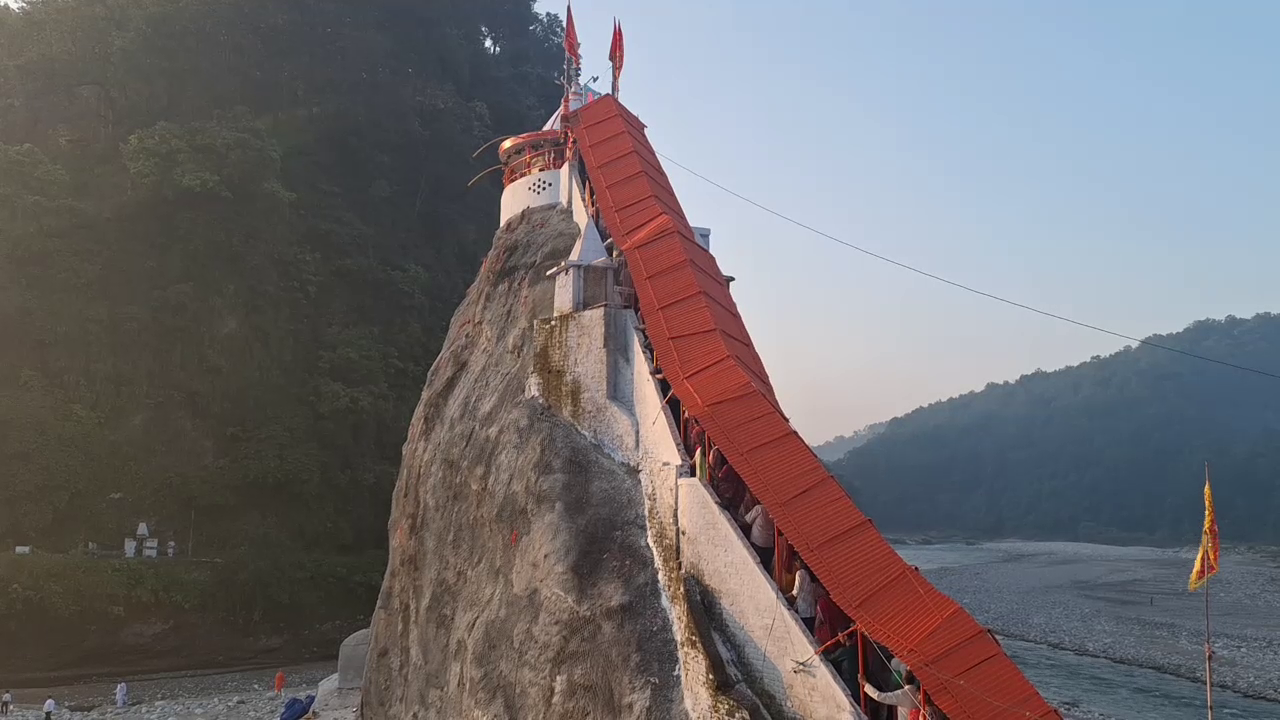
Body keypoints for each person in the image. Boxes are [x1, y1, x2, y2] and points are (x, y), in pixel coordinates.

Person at [860, 669, 924, 720]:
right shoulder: (920, 693)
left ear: (903, 680)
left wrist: (865, 683)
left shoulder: (902, 694)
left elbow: (880, 696)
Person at [741, 501, 774, 572]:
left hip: (758, 543)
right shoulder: (774, 514)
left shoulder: (759, 509)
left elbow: (745, 522)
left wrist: (731, 512)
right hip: (769, 547)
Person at [789, 561, 817, 634]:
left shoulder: (800, 573)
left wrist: (785, 596)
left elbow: (796, 592)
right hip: (812, 610)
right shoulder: (811, 574)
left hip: (803, 609)